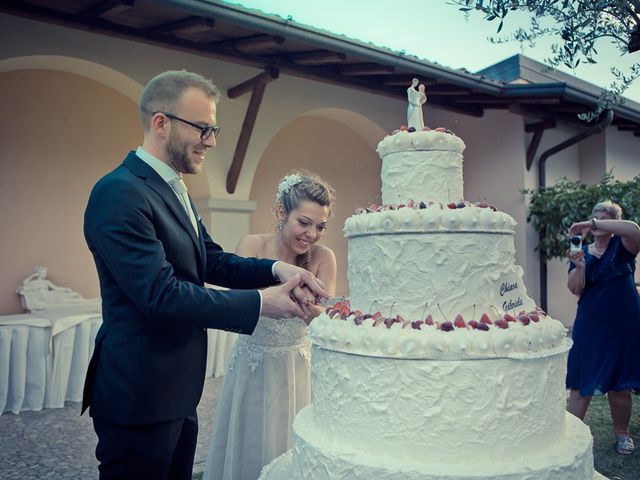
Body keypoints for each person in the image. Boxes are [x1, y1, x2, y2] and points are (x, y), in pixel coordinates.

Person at [82, 70, 328, 480]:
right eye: (203, 128)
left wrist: (274, 267)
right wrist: (260, 303)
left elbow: (211, 259)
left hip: (177, 390)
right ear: (161, 123)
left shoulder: (173, 188)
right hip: (139, 395)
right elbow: (160, 295)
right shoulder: (119, 192)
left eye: (214, 130)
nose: (211, 141)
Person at [203, 171, 337, 480]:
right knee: (250, 441)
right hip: (253, 366)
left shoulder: (323, 257)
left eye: (320, 227)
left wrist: (310, 310)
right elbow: (236, 303)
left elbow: (323, 317)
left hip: (298, 368)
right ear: (281, 212)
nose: (312, 235)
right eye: (303, 223)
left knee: (292, 445)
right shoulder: (251, 244)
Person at [566, 200, 640, 455]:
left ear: (612, 223)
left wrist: (590, 223)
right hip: (590, 323)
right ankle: (571, 436)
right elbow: (576, 289)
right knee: (580, 382)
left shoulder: (624, 246)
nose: (597, 221)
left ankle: (622, 435)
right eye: (595, 216)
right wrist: (580, 267)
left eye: (603, 217)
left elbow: (633, 229)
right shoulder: (581, 252)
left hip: (623, 324)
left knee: (620, 385)